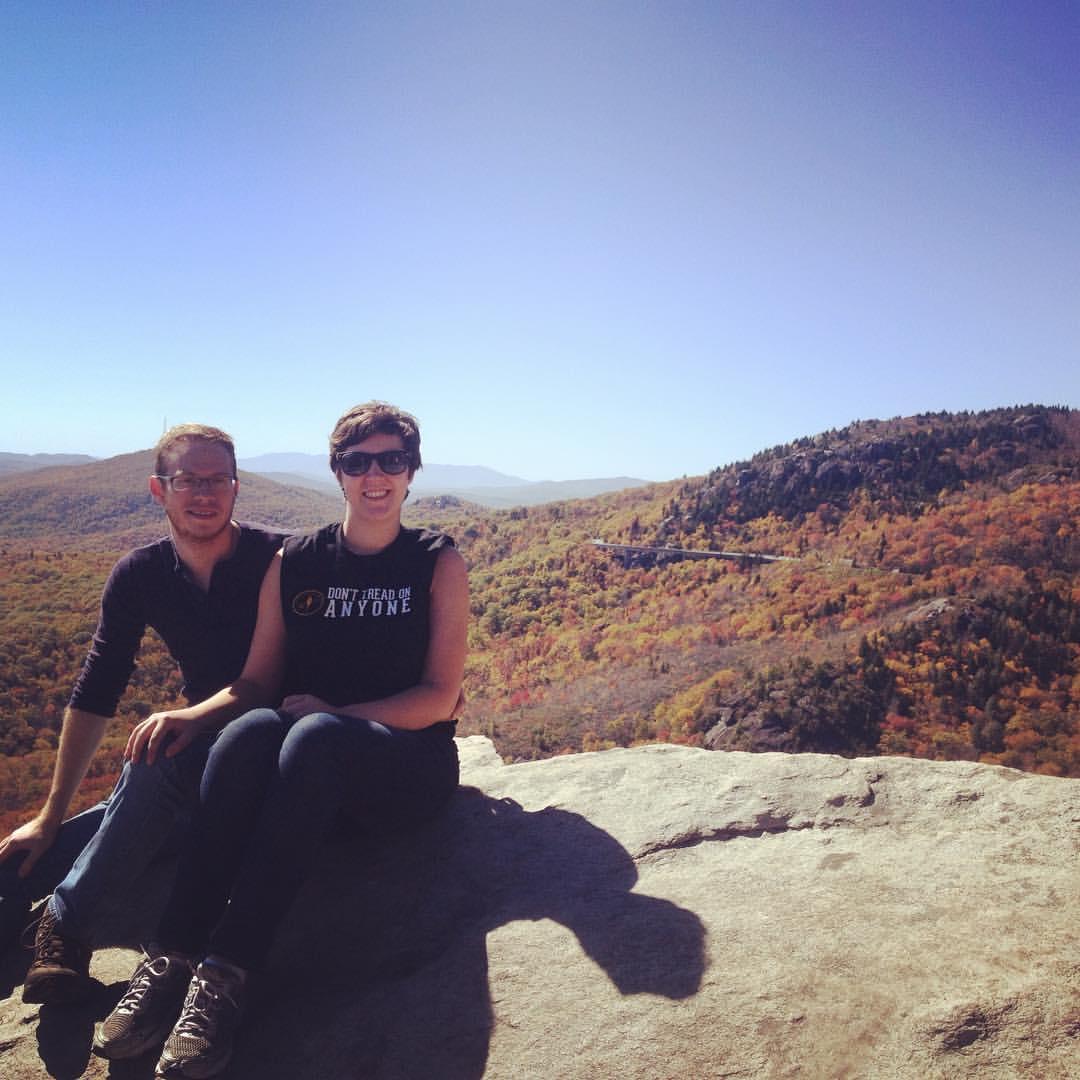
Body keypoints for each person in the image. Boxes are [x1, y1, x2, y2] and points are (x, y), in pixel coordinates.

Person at [93, 401, 468, 1079]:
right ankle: (172, 953)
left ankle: (228, 974)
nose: (374, 476)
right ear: (338, 473)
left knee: (316, 732)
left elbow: (439, 698)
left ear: (411, 472)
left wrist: (337, 712)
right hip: (310, 771)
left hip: (405, 769)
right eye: (358, 462)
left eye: (391, 460)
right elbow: (259, 680)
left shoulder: (435, 561)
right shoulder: (297, 561)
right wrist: (199, 716)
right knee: (250, 733)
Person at [0, 424, 283, 1004]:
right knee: (139, 794)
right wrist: (51, 814)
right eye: (187, 480)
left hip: (268, 749)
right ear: (159, 489)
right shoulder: (140, 575)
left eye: (217, 480)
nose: (203, 493)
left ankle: (67, 925)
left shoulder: (277, 560)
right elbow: (96, 689)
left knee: (155, 760)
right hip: (194, 758)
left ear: (236, 488)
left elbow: (265, 680)